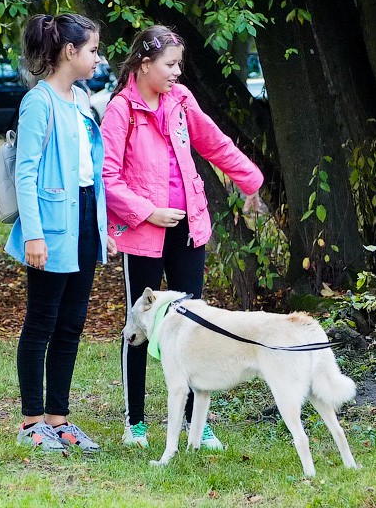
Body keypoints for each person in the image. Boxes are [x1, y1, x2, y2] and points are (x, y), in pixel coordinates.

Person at [101, 24, 264, 450]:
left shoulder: (181, 100)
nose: (177, 73)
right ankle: (135, 424)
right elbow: (108, 178)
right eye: (170, 65)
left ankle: (197, 424)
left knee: (195, 328)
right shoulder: (120, 110)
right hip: (143, 236)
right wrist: (147, 211)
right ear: (144, 63)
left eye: (179, 65)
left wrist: (251, 180)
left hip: (190, 230)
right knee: (137, 327)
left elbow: (216, 144)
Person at [5, 13, 117, 453]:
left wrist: (101, 227)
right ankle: (32, 422)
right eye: (92, 50)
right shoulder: (39, 102)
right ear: (69, 52)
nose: (97, 58)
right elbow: (26, 173)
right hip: (51, 226)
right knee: (42, 323)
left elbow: (91, 173)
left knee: (71, 325)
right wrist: (34, 235)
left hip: (84, 220)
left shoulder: (81, 98)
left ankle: (59, 419)